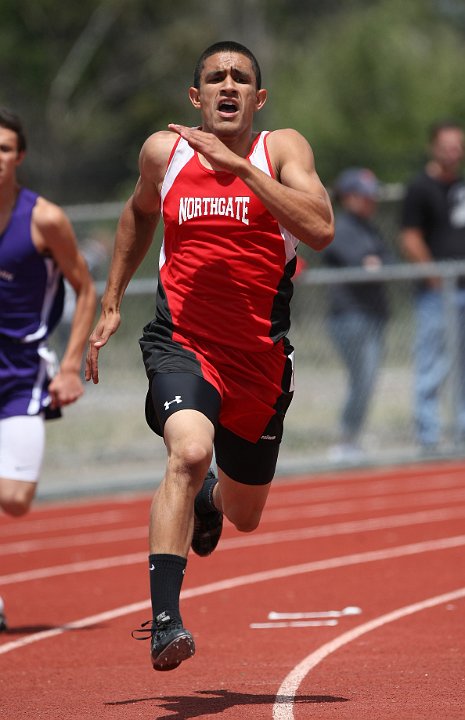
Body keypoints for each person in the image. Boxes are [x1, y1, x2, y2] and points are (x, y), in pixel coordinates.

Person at [86, 40, 334, 671]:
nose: (229, 85)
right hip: (183, 343)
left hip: (260, 364)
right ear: (196, 97)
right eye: (216, 78)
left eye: (241, 78)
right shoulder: (163, 152)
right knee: (190, 452)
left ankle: (211, 499)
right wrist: (112, 299)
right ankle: (166, 620)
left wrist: (243, 169)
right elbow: (139, 216)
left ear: (259, 97)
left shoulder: (281, 150)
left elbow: (321, 228)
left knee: (245, 517)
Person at [0, 108, 97, 630]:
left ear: (20, 156)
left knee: (15, 500)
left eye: (4, 150)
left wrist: (69, 367)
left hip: (21, 373)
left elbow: (84, 289)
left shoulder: (44, 219)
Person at [400, 120, 465, 453]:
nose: (454, 150)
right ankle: (429, 437)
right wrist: (435, 277)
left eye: (459, 144)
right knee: (432, 365)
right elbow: (409, 237)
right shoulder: (420, 187)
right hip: (437, 294)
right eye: (448, 144)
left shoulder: (460, 187)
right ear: (434, 147)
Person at [322, 168, 394, 462]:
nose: (370, 201)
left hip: (373, 314)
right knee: (361, 378)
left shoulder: (370, 228)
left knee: (367, 379)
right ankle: (346, 438)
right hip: (349, 316)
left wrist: (375, 264)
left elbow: (388, 261)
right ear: (349, 197)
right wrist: (372, 264)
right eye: (364, 196)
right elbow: (361, 264)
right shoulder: (338, 226)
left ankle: (352, 437)